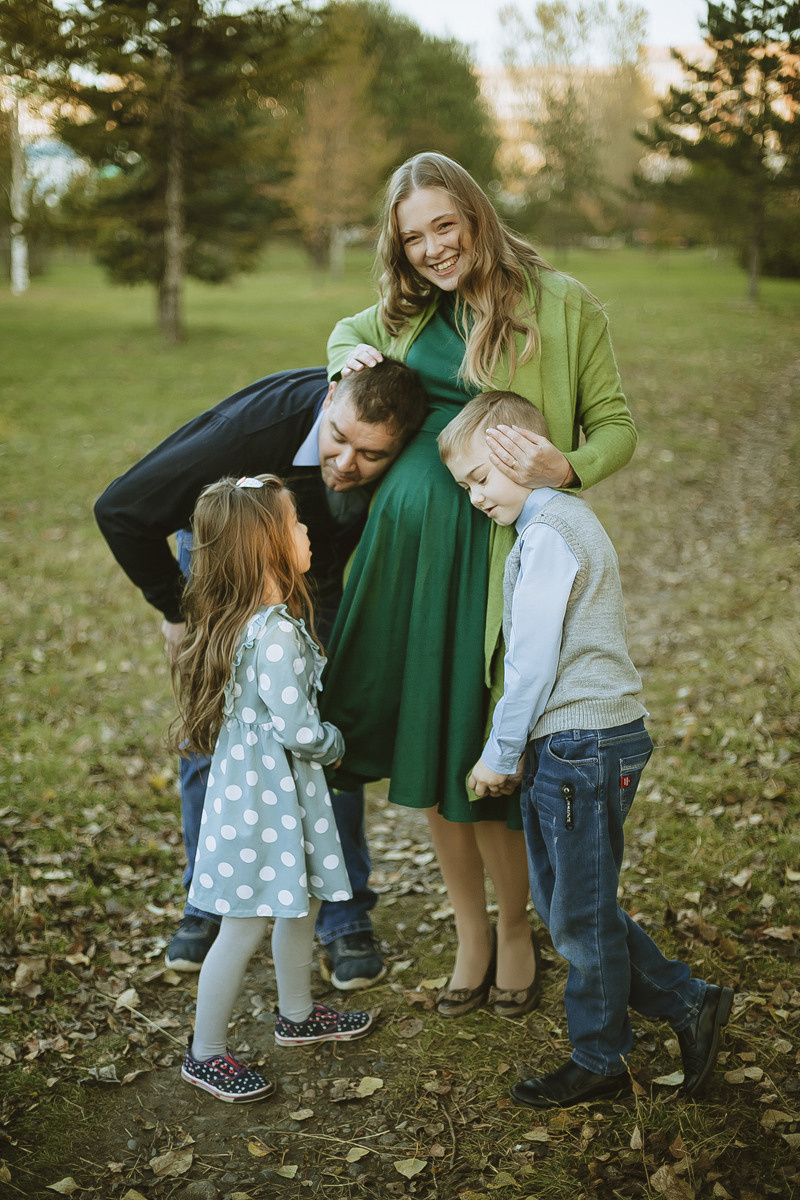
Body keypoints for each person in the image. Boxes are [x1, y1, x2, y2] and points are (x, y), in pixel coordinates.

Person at [320, 152, 638, 1018]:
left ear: (475, 216)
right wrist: (348, 356)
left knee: (487, 748)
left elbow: (617, 425)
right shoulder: (404, 309)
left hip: (499, 557)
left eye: (444, 226)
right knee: (432, 743)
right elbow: (344, 334)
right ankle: (470, 932)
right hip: (410, 561)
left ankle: (516, 931)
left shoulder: (561, 304)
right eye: (412, 237)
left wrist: (567, 466)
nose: (432, 249)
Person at [439, 390, 734, 1108]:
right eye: (465, 486)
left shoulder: (550, 534)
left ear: (520, 455)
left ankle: (602, 1053)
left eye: (481, 478)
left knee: (579, 910)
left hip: (586, 743)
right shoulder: (547, 525)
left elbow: (533, 662)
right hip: (571, 743)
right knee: (567, 901)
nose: (475, 497)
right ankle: (687, 1000)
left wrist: (500, 751)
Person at [94, 362, 428, 987]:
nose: (346, 463)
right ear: (329, 398)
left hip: (314, 566)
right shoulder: (247, 434)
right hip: (224, 570)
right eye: (337, 439)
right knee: (219, 729)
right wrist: (176, 610)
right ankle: (208, 902)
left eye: (372, 455)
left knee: (323, 722)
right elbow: (119, 509)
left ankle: (342, 911)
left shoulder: (404, 430)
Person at [171, 474, 374, 1103]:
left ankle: (297, 1014)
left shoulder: (242, 621)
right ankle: (205, 1052)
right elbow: (298, 729)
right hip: (265, 800)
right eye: (296, 523)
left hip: (268, 792)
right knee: (244, 924)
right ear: (268, 545)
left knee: (300, 902)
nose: (308, 531)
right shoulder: (276, 631)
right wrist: (335, 743)